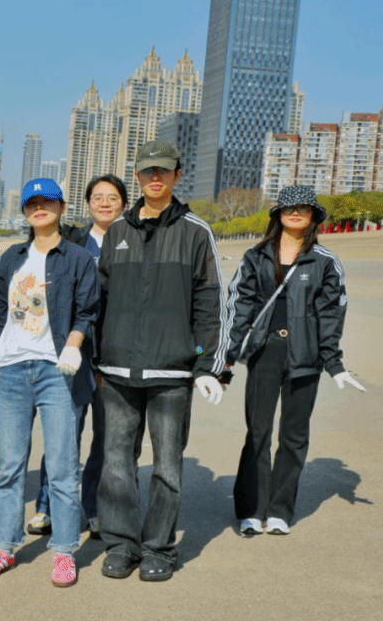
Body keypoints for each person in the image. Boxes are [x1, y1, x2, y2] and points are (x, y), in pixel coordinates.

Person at [95, 140, 227, 583]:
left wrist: (206, 365)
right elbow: (100, 300)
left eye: (163, 170)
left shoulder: (195, 232)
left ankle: (158, 548)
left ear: (176, 175)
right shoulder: (117, 231)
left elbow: (210, 303)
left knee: (167, 464)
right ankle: (121, 544)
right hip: (117, 370)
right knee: (116, 462)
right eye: (148, 171)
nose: (155, 177)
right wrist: (95, 358)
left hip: (172, 370)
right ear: (136, 176)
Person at [0, 178, 100, 589]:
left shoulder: (78, 258)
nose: (39, 208)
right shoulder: (12, 257)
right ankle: (5, 546)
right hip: (11, 370)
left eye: (47, 202)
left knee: (62, 466)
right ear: (25, 212)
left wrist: (73, 346)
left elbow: (87, 312)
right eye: (32, 203)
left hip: (56, 370)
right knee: (9, 466)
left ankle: (64, 551)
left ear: (61, 207)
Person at [225, 185, 364, 536]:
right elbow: (239, 306)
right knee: (258, 431)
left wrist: (333, 362)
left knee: (294, 434)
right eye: (289, 208)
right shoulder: (256, 256)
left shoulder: (325, 261)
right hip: (265, 352)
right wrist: (225, 356)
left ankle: (279, 510)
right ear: (278, 214)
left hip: (306, 357)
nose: (296, 213)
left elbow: (331, 314)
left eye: (304, 208)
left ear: (314, 215)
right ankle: (251, 509)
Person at [28, 174, 128, 539]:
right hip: (73, 351)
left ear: (123, 203)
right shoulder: (71, 241)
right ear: (87, 204)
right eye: (97, 197)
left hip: (116, 354)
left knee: (105, 439)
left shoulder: (133, 242)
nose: (104, 203)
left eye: (112, 197)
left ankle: (94, 507)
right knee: (63, 433)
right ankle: (47, 506)